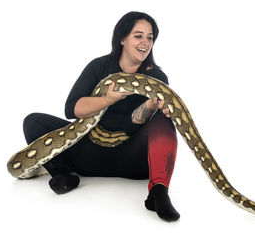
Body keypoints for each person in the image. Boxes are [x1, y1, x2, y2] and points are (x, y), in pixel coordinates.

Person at [23, 11, 180, 222]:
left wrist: (153, 105)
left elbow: (128, 126)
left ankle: (158, 192)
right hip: (89, 154)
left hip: (131, 160)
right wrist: (107, 100)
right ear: (122, 38)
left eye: (150, 37)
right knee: (33, 121)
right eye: (138, 36)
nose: (145, 42)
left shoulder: (156, 78)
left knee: (164, 120)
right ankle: (62, 175)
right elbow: (71, 109)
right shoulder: (99, 66)